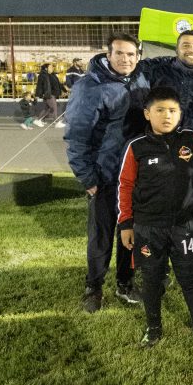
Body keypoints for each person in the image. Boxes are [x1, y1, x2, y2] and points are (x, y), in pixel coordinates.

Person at [117, 86, 193, 347]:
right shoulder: (137, 147)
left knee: (189, 277)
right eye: (160, 110)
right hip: (147, 228)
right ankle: (153, 328)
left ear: (180, 114)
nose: (166, 116)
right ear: (147, 114)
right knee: (152, 279)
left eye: (172, 111)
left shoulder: (191, 139)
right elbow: (125, 186)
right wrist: (126, 224)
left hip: (182, 227)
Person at [64, 33, 149, 312]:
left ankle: (125, 283)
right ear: (108, 55)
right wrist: (88, 179)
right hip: (104, 176)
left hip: (133, 175)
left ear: (138, 56)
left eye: (131, 54)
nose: (126, 59)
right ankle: (94, 287)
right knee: (101, 235)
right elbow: (76, 136)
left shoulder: (140, 78)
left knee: (130, 231)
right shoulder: (90, 87)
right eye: (120, 54)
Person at [33, 63, 63, 127]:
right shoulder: (42, 75)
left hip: (53, 94)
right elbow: (39, 86)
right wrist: (37, 95)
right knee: (54, 108)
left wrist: (65, 90)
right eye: (51, 67)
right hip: (48, 94)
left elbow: (58, 84)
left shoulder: (53, 75)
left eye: (52, 67)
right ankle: (56, 122)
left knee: (47, 109)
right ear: (46, 68)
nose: (52, 68)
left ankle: (38, 120)